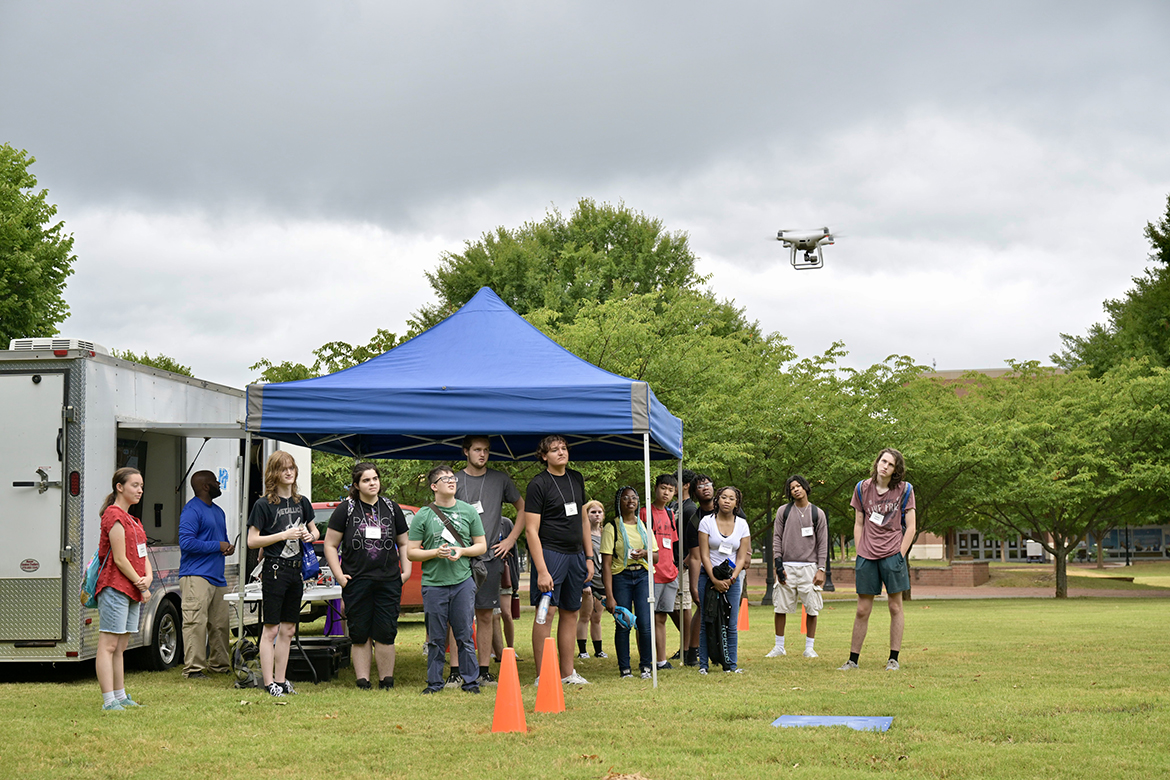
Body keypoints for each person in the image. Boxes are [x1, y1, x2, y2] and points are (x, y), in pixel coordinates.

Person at [322, 462, 411, 690]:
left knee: (386, 631)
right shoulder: (346, 509)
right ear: (356, 485)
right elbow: (330, 545)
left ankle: (386, 680)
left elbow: (404, 542)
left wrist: (406, 570)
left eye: (375, 479)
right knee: (360, 632)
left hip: (388, 580)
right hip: (356, 580)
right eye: (366, 480)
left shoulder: (391, 508)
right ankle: (363, 681)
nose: (372, 483)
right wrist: (340, 576)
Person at [408, 464, 487, 694]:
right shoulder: (423, 515)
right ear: (434, 486)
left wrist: (462, 551)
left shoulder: (468, 511)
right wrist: (435, 553)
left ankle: (471, 682)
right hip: (434, 584)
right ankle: (434, 683)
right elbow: (411, 552)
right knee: (436, 637)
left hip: (463, 581)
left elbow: (480, 545)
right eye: (445, 479)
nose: (452, 481)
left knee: (465, 634)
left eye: (453, 478)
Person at [453, 435, 524, 688]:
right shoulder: (454, 480)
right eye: (476, 450)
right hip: (458, 558)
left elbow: (522, 508)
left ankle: (483, 671)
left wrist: (511, 539)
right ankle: (456, 671)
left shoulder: (500, 479)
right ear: (465, 452)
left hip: (490, 558)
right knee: (457, 616)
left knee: (485, 615)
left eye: (486, 450)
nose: (482, 454)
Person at [247, 451, 318, 698]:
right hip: (274, 569)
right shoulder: (264, 504)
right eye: (282, 469)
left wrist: (311, 536)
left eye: (291, 468)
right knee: (271, 629)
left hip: (296, 570)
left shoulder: (302, 502)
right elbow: (252, 541)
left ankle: (281, 679)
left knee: (289, 629)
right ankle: (269, 683)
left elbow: (315, 531)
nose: (288, 472)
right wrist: (282, 536)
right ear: (273, 474)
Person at [524, 434, 594, 686]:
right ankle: (543, 675)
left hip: (576, 555)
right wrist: (542, 570)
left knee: (570, 612)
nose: (561, 453)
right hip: (551, 554)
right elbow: (531, 530)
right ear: (544, 456)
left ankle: (567, 673)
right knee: (546, 612)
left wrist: (588, 556)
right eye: (554, 450)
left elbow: (584, 520)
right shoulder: (538, 484)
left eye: (564, 448)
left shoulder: (576, 478)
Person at [839, 448, 916, 672]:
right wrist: (860, 550)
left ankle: (893, 659)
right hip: (867, 555)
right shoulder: (862, 488)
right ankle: (852, 660)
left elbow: (911, 527)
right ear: (877, 462)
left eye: (891, 465)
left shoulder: (905, 490)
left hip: (893, 553)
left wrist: (900, 554)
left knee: (895, 606)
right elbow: (859, 522)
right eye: (883, 461)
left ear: (896, 470)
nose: (885, 467)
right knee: (862, 609)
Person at [95, 467, 152, 711]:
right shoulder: (113, 515)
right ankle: (109, 701)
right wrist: (142, 583)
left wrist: (148, 578)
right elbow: (119, 559)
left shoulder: (134, 520)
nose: (140, 490)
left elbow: (143, 554)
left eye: (141, 485)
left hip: (132, 590)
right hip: (115, 587)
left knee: (121, 647)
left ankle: (120, 695)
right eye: (134, 485)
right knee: (108, 645)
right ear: (120, 487)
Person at [178, 470, 234, 680]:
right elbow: (186, 543)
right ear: (205, 486)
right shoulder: (192, 510)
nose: (219, 485)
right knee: (195, 624)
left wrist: (227, 547)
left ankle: (219, 665)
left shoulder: (219, 512)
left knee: (220, 624)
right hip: (196, 576)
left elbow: (222, 540)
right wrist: (217, 545)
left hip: (217, 577)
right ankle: (193, 669)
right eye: (215, 482)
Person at [767, 474, 828, 659]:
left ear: (806, 487)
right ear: (789, 492)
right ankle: (779, 646)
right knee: (780, 607)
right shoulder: (783, 511)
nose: (796, 489)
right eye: (792, 487)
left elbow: (823, 543)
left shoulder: (817, 513)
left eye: (799, 485)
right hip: (787, 566)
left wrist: (821, 569)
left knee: (812, 608)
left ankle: (809, 647)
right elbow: (776, 538)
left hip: (810, 567)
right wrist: (778, 565)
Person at [601, 487, 658, 678]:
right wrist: (609, 596)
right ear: (619, 502)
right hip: (621, 577)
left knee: (645, 623)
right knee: (623, 623)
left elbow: (656, 556)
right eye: (625, 498)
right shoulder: (612, 527)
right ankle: (625, 668)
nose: (630, 501)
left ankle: (646, 666)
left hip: (642, 575)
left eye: (634, 498)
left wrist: (644, 553)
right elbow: (607, 565)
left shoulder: (644, 526)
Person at [697, 485, 751, 674]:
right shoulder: (706, 522)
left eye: (731, 498)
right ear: (717, 500)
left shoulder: (742, 525)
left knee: (731, 624)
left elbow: (742, 557)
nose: (727, 501)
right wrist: (714, 579)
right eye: (724, 497)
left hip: (732, 579)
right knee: (707, 620)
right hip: (708, 577)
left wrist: (732, 579)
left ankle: (731, 665)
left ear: (737, 503)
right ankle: (703, 664)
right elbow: (704, 554)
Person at [640, 474, 678, 671]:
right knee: (645, 619)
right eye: (663, 488)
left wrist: (674, 567)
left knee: (661, 618)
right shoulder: (645, 513)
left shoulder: (671, 514)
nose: (666, 493)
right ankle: (645, 660)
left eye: (670, 490)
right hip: (651, 574)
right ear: (655, 488)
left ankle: (661, 660)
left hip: (669, 573)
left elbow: (672, 543)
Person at [683, 472, 714, 667]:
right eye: (701, 486)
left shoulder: (729, 509)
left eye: (708, 484)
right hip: (704, 568)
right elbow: (694, 556)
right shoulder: (695, 520)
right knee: (702, 608)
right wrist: (694, 586)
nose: (706, 487)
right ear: (695, 493)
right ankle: (691, 653)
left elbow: (744, 535)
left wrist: (746, 557)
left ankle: (721, 651)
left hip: (730, 569)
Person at [576, 500, 607, 660]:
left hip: (602, 582)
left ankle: (599, 650)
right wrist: (585, 583)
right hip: (588, 582)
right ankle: (582, 650)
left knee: (597, 618)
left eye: (599, 512)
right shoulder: (582, 534)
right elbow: (580, 560)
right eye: (593, 512)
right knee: (585, 616)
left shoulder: (605, 534)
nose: (596, 515)